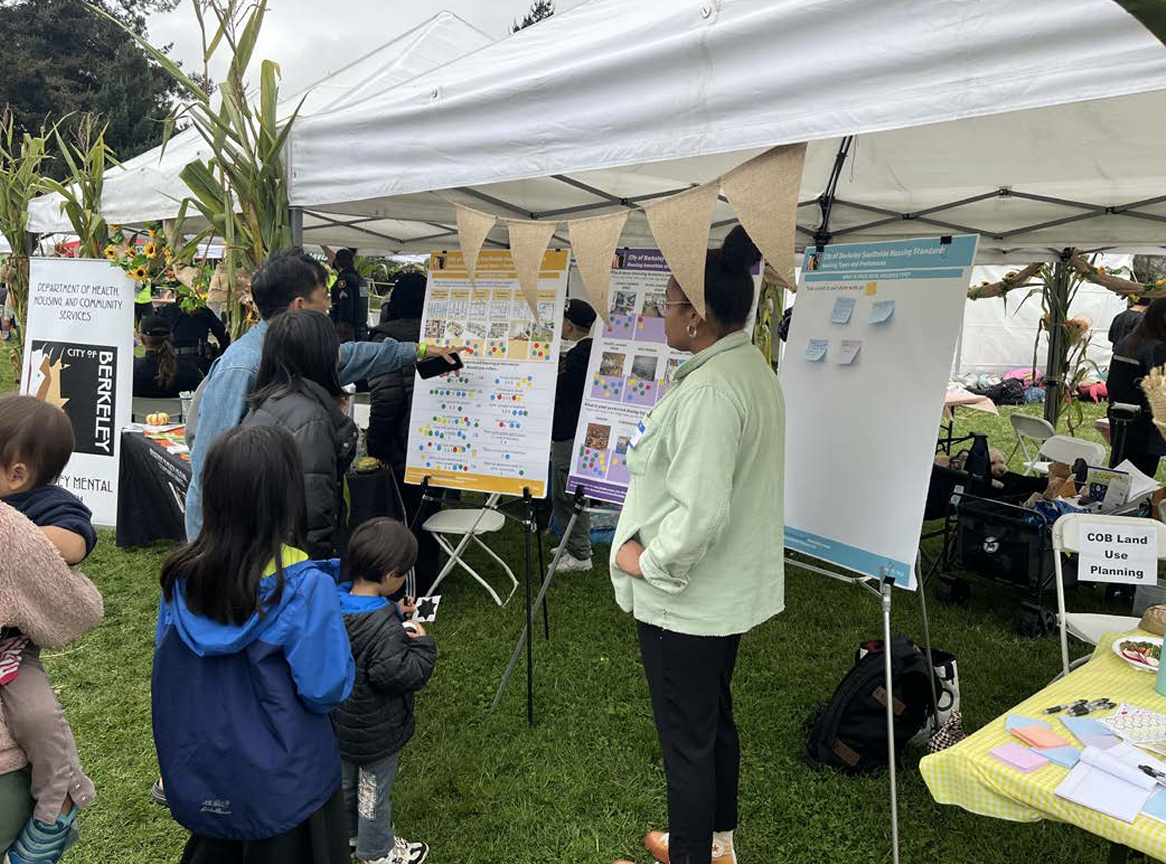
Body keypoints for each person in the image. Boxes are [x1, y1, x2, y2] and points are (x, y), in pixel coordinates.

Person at [609, 226, 783, 864]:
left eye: (669, 304)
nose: (661, 315)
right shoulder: (743, 366)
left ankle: (693, 854)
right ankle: (716, 845)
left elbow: (701, 513)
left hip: (687, 599)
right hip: (717, 595)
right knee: (711, 722)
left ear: (700, 317)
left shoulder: (712, 388)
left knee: (687, 738)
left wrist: (646, 561)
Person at [153, 424, 355, 864]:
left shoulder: (179, 578)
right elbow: (326, 689)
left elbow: (171, 668)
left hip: (206, 773)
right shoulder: (304, 586)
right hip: (289, 787)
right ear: (286, 495)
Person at [184, 249, 456, 542]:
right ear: (299, 306)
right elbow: (208, 466)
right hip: (243, 534)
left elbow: (353, 356)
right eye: (325, 297)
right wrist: (205, 549)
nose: (330, 305)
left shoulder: (301, 352)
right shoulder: (242, 366)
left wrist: (417, 351)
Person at [0, 395, 104, 864]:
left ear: (17, 474)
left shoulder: (50, 503)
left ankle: (58, 802)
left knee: (38, 718)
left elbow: (76, 543)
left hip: (15, 651)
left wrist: (19, 540)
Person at [331, 518, 436, 864]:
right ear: (391, 575)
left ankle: (347, 834)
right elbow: (397, 674)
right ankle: (377, 852)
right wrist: (423, 647)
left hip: (341, 723)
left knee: (346, 784)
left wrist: (393, 609)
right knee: (373, 793)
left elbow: (364, 618)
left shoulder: (335, 602)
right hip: (377, 732)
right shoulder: (386, 630)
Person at [244, 310, 358, 559]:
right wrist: (320, 568)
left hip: (268, 550)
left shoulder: (269, 399)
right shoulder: (310, 418)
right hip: (297, 563)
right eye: (335, 347)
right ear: (320, 355)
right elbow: (313, 511)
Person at [366, 272, 442, 594]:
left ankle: (406, 584)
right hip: (440, 442)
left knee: (400, 516)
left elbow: (386, 400)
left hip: (401, 446)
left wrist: (376, 446)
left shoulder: (385, 338)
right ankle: (428, 577)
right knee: (427, 515)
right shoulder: (438, 338)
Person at [549, 299, 597, 572]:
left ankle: (580, 554)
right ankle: (572, 544)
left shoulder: (581, 355)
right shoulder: (585, 351)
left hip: (569, 433)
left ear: (569, 323)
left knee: (568, 493)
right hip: (570, 432)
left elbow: (562, 387)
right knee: (563, 492)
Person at [1108, 297, 1166, 478]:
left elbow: (1112, 383)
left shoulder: (1127, 342)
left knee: (1119, 476)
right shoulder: (1156, 348)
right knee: (1139, 480)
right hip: (1146, 429)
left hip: (1121, 421)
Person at [133, 315, 204, 398]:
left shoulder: (132, 370)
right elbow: (202, 397)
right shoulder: (189, 369)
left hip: (139, 410)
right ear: (171, 338)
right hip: (181, 410)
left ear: (142, 340)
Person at [155, 301, 231, 374]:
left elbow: (155, 338)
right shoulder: (203, 309)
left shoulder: (166, 310)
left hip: (172, 362)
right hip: (199, 362)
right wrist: (221, 355)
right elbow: (223, 336)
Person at [331, 249, 369, 343]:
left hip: (348, 334)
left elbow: (345, 307)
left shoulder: (344, 281)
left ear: (337, 263)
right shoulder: (361, 280)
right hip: (362, 330)